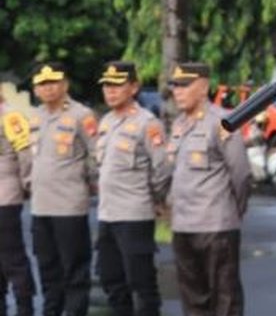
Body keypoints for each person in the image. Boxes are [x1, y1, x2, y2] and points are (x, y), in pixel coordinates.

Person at [167, 62, 251, 316]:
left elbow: (241, 175)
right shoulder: (178, 125)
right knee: (193, 300)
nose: (177, 92)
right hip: (183, 225)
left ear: (203, 88)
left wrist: (234, 212)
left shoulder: (223, 123)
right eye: (175, 87)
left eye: (184, 86)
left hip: (216, 225)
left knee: (224, 300)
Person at [94, 62, 171, 316]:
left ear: (134, 87)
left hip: (134, 214)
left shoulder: (147, 124)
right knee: (111, 279)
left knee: (141, 283)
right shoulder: (105, 121)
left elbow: (161, 170)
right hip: (107, 215)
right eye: (107, 85)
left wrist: (156, 200)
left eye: (117, 85)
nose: (110, 91)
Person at [28, 62, 97, 316]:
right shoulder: (34, 117)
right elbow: (29, 158)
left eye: (53, 82)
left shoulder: (81, 115)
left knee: (75, 269)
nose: (48, 88)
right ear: (35, 89)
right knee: (47, 268)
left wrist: (88, 183)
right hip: (40, 206)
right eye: (42, 84)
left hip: (69, 204)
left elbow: (96, 155)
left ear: (65, 84)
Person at [0, 87, 35, 316]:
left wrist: (27, 185)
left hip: (5, 194)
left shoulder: (10, 116)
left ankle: (25, 306)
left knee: (12, 256)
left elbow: (26, 156)